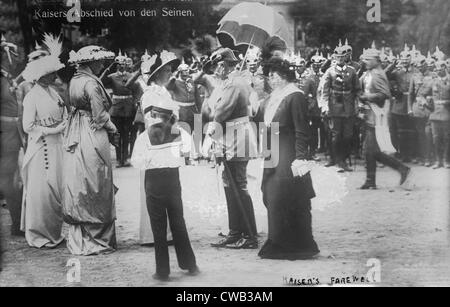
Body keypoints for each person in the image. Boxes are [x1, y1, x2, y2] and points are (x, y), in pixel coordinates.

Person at [132, 50, 199, 281]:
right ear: (158, 73)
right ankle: (175, 266)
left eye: (171, 68)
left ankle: (182, 264)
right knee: (167, 220)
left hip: (161, 163)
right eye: (168, 69)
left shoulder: (162, 93)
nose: (171, 72)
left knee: (173, 218)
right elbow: (157, 122)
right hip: (161, 157)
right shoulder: (151, 94)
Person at [254, 56, 319, 260]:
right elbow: (259, 119)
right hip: (272, 149)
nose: (270, 79)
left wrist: (300, 157)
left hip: (288, 151)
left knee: (284, 195)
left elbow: (302, 130)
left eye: (273, 75)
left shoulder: (295, 95)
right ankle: (278, 239)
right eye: (269, 76)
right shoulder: (273, 96)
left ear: (283, 76)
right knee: (271, 193)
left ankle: (292, 244)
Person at [63, 45, 118, 255]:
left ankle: (81, 233)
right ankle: (97, 236)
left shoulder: (74, 81)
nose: (102, 65)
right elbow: (99, 116)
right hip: (92, 132)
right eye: (99, 62)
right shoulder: (91, 84)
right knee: (97, 177)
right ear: (90, 63)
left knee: (81, 178)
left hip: (76, 130)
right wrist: (113, 129)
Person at [203, 48, 259, 249]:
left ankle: (250, 235)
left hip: (235, 138)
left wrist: (210, 136)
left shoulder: (234, 83)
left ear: (224, 64)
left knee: (239, 186)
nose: (216, 69)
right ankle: (235, 232)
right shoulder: (230, 82)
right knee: (230, 184)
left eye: (217, 64)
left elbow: (219, 113)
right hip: (230, 136)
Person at [21, 34, 67, 248]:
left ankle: (53, 231)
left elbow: (62, 110)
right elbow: (27, 126)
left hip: (57, 146)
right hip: (42, 149)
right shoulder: (32, 96)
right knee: (43, 190)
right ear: (39, 76)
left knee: (56, 189)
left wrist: (63, 123)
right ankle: (40, 233)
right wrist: (52, 130)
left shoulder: (53, 92)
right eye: (49, 73)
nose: (53, 76)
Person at [359, 48, 411, 190]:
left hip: (378, 116)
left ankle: (401, 169)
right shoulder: (368, 74)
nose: (365, 62)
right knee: (370, 151)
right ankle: (372, 180)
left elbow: (385, 94)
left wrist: (366, 97)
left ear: (376, 61)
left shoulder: (379, 74)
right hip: (370, 115)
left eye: (368, 60)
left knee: (371, 150)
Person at [322, 41, 361, 172]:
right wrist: (325, 106)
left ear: (346, 57)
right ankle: (336, 159)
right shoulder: (330, 71)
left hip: (349, 107)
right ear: (334, 57)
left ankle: (344, 159)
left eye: (342, 56)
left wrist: (358, 105)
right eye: (337, 57)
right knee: (335, 135)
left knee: (348, 135)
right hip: (335, 106)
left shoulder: (352, 71)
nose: (339, 59)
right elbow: (325, 91)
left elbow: (357, 90)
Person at [0, 34, 23, 237]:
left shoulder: (6, 77)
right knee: (8, 180)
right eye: (13, 55)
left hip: (13, 134)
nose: (17, 59)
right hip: (5, 134)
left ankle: (18, 222)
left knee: (13, 179)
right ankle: (16, 224)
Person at [101, 51, 135, 167]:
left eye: (123, 63)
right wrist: (109, 67)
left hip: (128, 107)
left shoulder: (131, 76)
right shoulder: (112, 76)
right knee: (117, 133)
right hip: (116, 108)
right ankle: (118, 159)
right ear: (116, 65)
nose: (121, 65)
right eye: (119, 64)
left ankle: (125, 158)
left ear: (126, 65)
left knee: (126, 134)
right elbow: (101, 81)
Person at [387, 44, 415, 163]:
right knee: (398, 131)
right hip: (399, 104)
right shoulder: (396, 72)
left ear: (410, 60)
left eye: (406, 59)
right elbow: (386, 74)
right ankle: (400, 153)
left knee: (409, 131)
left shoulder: (415, 71)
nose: (404, 61)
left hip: (411, 103)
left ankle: (409, 154)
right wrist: (393, 63)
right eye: (402, 59)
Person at [423, 61, 450, 169]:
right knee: (436, 138)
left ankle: (446, 160)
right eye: (436, 69)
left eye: (440, 68)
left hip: (447, 114)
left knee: (447, 138)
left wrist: (445, 102)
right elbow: (422, 94)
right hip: (434, 115)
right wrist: (426, 102)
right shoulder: (432, 81)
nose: (438, 70)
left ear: (445, 68)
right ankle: (438, 161)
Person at [408, 55, 433, 166]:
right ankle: (421, 157)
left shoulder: (433, 76)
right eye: (418, 65)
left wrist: (429, 100)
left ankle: (428, 157)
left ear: (425, 64)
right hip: (417, 108)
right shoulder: (414, 77)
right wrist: (409, 108)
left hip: (429, 108)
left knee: (428, 134)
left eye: (421, 65)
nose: (419, 67)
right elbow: (410, 94)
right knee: (419, 134)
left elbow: (436, 92)